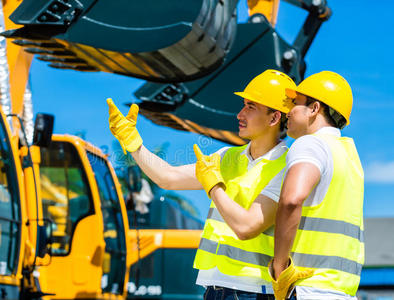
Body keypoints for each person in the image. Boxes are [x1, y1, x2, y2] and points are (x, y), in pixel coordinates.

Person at [107, 69, 296, 299]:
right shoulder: (227, 157)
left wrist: (213, 186)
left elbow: (247, 228)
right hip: (214, 288)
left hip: (253, 291)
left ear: (274, 118)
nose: (239, 114)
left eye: (250, 107)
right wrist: (134, 143)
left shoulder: (286, 166)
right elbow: (168, 177)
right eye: (243, 105)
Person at [268, 71, 364, 300]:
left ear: (314, 108)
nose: (287, 111)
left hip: (307, 288)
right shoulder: (350, 156)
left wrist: (279, 267)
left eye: (295, 103)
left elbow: (292, 199)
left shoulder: (310, 144)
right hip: (341, 291)